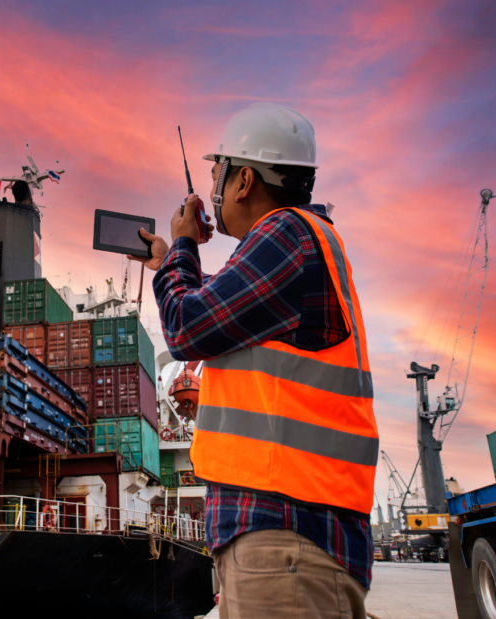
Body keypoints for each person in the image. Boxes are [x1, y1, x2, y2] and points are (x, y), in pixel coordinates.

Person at [132, 103, 379, 618]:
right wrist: (170, 262)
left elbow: (187, 327)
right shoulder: (297, 241)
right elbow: (216, 316)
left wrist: (181, 244)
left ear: (243, 179)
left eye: (217, 173)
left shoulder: (285, 235)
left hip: (285, 528)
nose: (213, 189)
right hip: (287, 529)